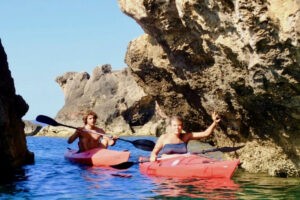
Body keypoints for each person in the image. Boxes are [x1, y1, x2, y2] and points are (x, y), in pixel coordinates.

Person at [150, 111, 221, 162]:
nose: (177, 127)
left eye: (179, 125)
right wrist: (153, 156)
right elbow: (154, 152)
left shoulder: (186, 136)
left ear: (182, 126)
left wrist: (214, 123)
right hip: (166, 163)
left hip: (183, 162)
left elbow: (205, 133)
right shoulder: (164, 138)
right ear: (171, 126)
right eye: (174, 125)